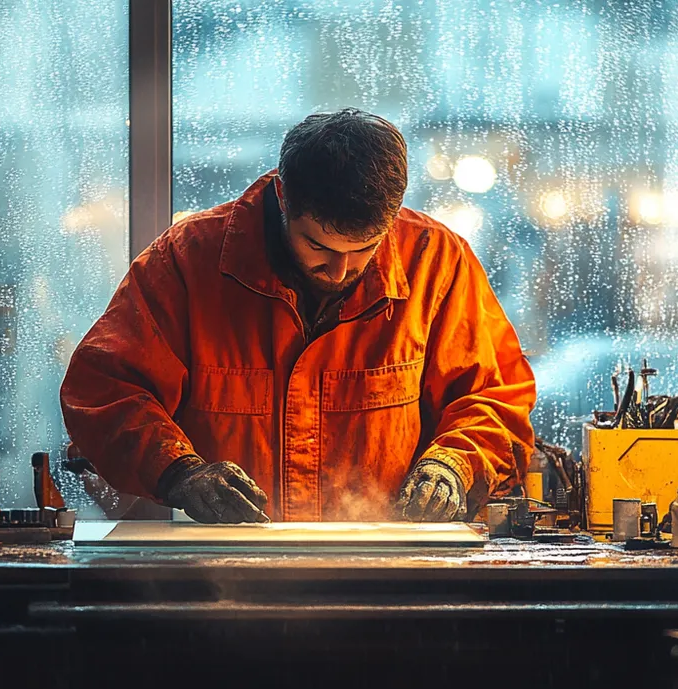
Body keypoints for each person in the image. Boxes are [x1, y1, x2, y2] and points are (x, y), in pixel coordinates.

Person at [60, 109, 535, 523]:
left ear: (391, 217)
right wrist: (179, 472)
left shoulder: (437, 262)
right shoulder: (186, 262)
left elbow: (494, 398)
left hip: (389, 568)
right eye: (318, 246)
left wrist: (455, 463)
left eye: (364, 249)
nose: (341, 269)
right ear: (284, 198)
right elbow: (106, 391)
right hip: (221, 572)